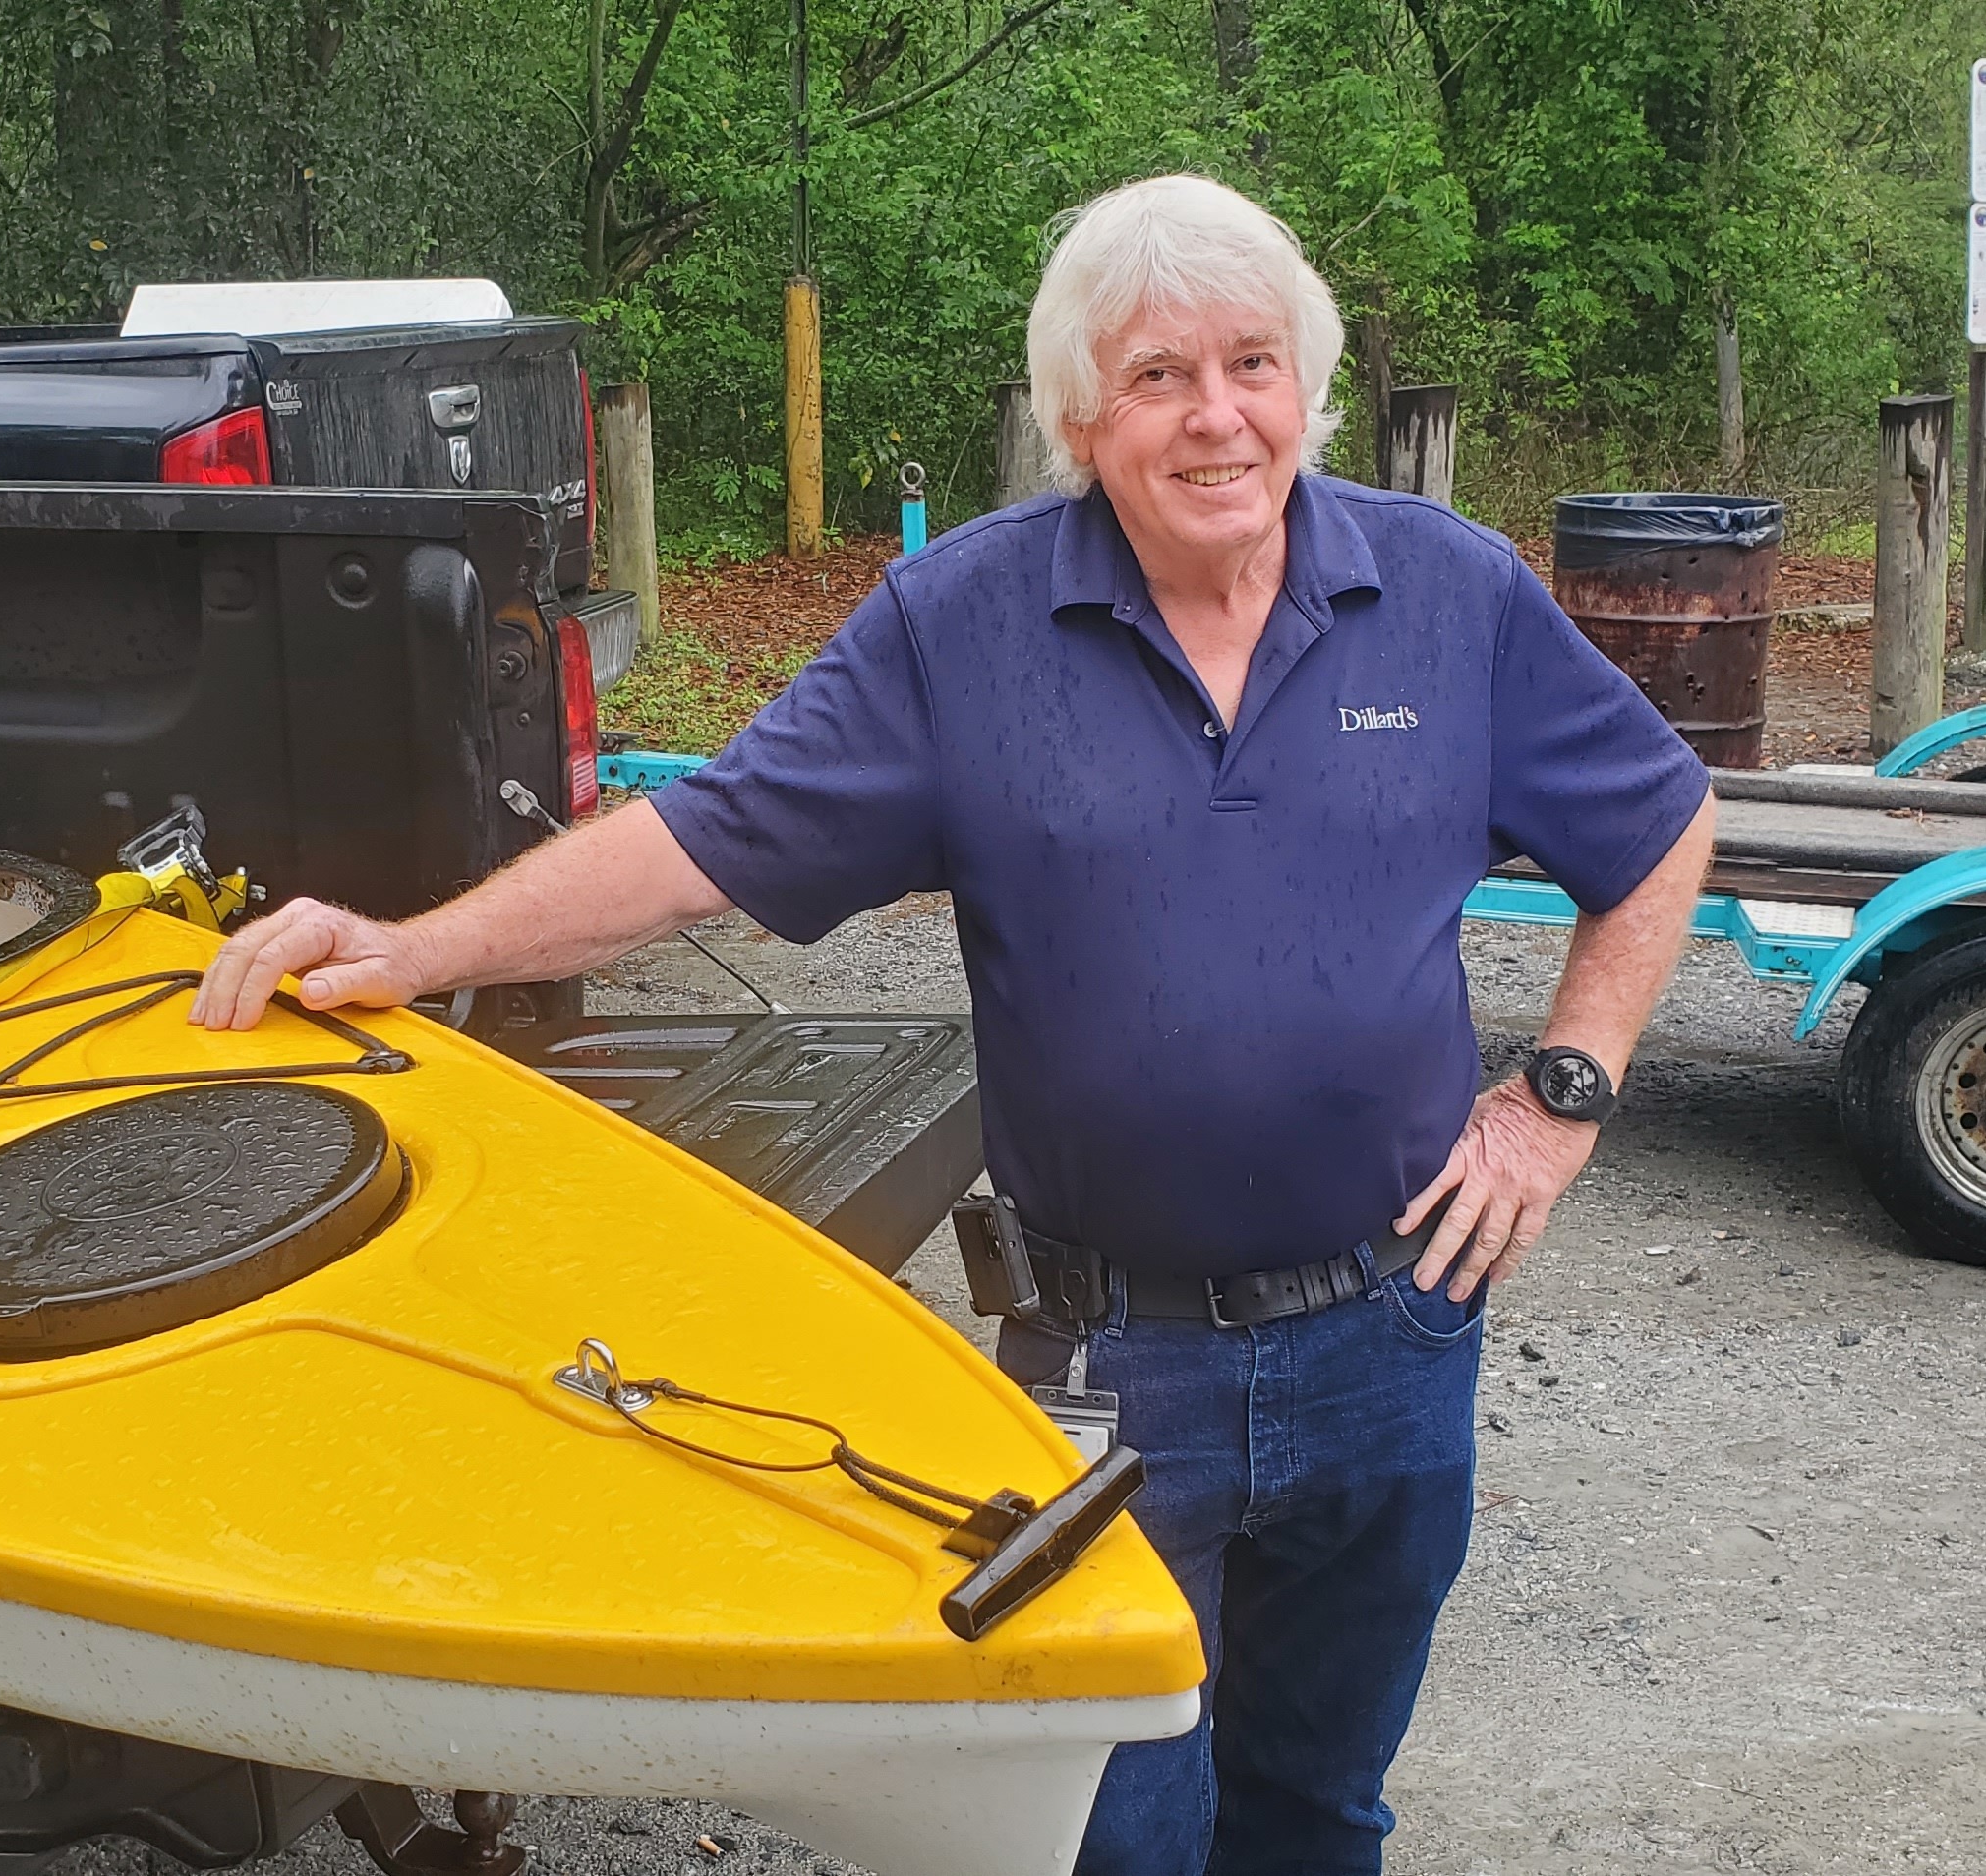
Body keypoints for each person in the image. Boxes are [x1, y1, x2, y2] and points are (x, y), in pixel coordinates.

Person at [191, 172, 1713, 1874]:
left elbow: (1655, 829)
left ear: (1310, 386)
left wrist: (1560, 1097)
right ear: (1079, 412)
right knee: (1111, 1833)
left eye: (1254, 366)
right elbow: (702, 843)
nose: (1218, 417)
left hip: (1394, 1334)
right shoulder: (960, 630)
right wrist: (408, 949)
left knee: (1317, 1806)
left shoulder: (1452, 595)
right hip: (1111, 1360)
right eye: (1158, 376)